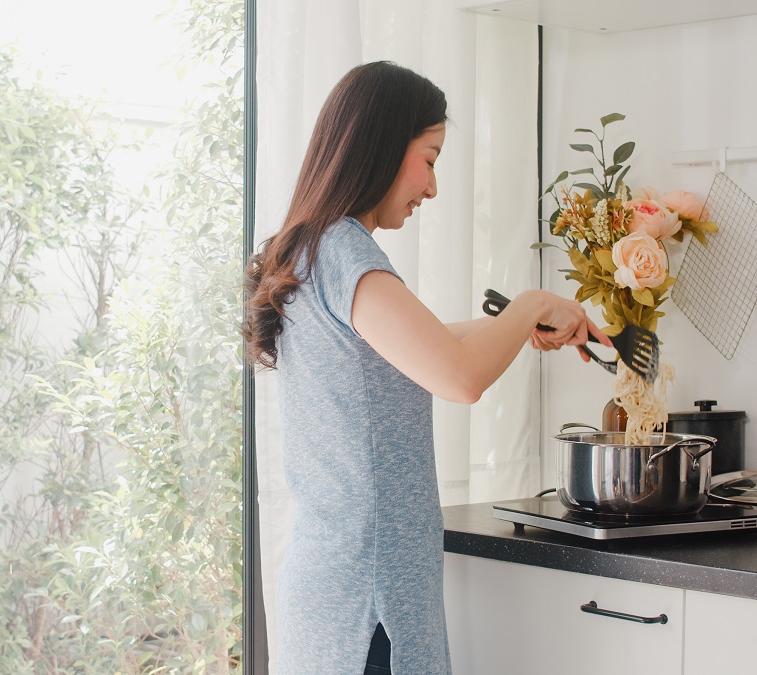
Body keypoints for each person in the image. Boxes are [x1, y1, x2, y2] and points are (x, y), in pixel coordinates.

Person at [243, 61, 609, 675]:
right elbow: (459, 375)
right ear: (383, 145)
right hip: (368, 601)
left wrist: (522, 326)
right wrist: (529, 305)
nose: (432, 187)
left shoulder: (311, 247)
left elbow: (422, 346)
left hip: (335, 596)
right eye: (430, 158)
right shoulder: (346, 252)